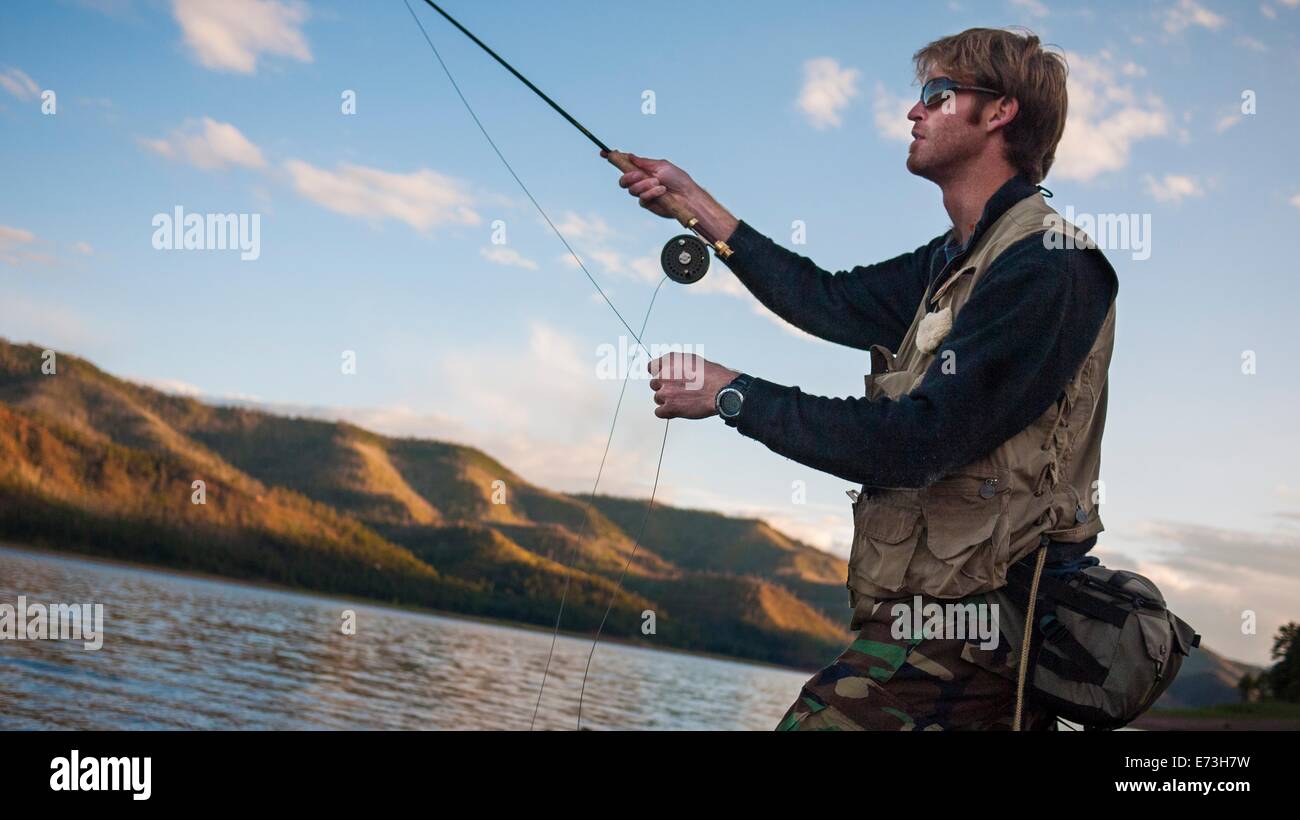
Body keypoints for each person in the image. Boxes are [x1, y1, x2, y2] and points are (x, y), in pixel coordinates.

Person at [613, 27, 1118, 730]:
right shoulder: (953, 259)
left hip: (984, 623)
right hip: (939, 616)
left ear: (999, 112)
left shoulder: (1048, 267)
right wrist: (696, 206)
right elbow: (827, 300)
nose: (914, 111)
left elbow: (917, 442)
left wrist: (733, 395)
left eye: (936, 95)